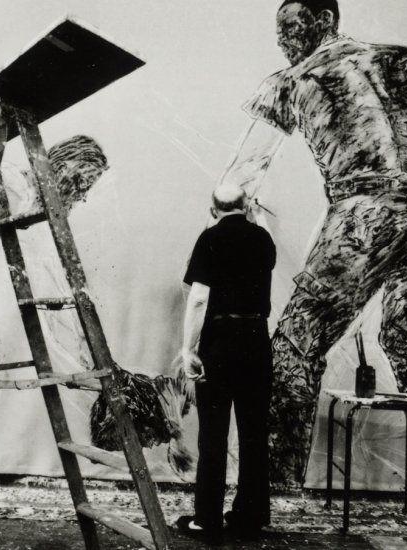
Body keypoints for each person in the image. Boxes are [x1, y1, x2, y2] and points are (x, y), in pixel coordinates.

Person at [219, 0, 407, 493]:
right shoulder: (392, 59)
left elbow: (242, 173)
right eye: (279, 31)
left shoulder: (291, 81)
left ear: (326, 20)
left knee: (295, 347)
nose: (283, 39)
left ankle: (272, 487)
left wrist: (227, 212)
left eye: (291, 27)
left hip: (363, 218)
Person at [176, 184, 277, 544]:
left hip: (220, 343)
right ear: (246, 205)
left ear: (213, 208)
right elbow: (262, 244)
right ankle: (250, 518)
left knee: (213, 434)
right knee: (254, 433)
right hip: (256, 341)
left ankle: (207, 520)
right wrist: (257, 216)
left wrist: (188, 349)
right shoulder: (263, 239)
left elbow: (198, 298)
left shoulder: (209, 239)